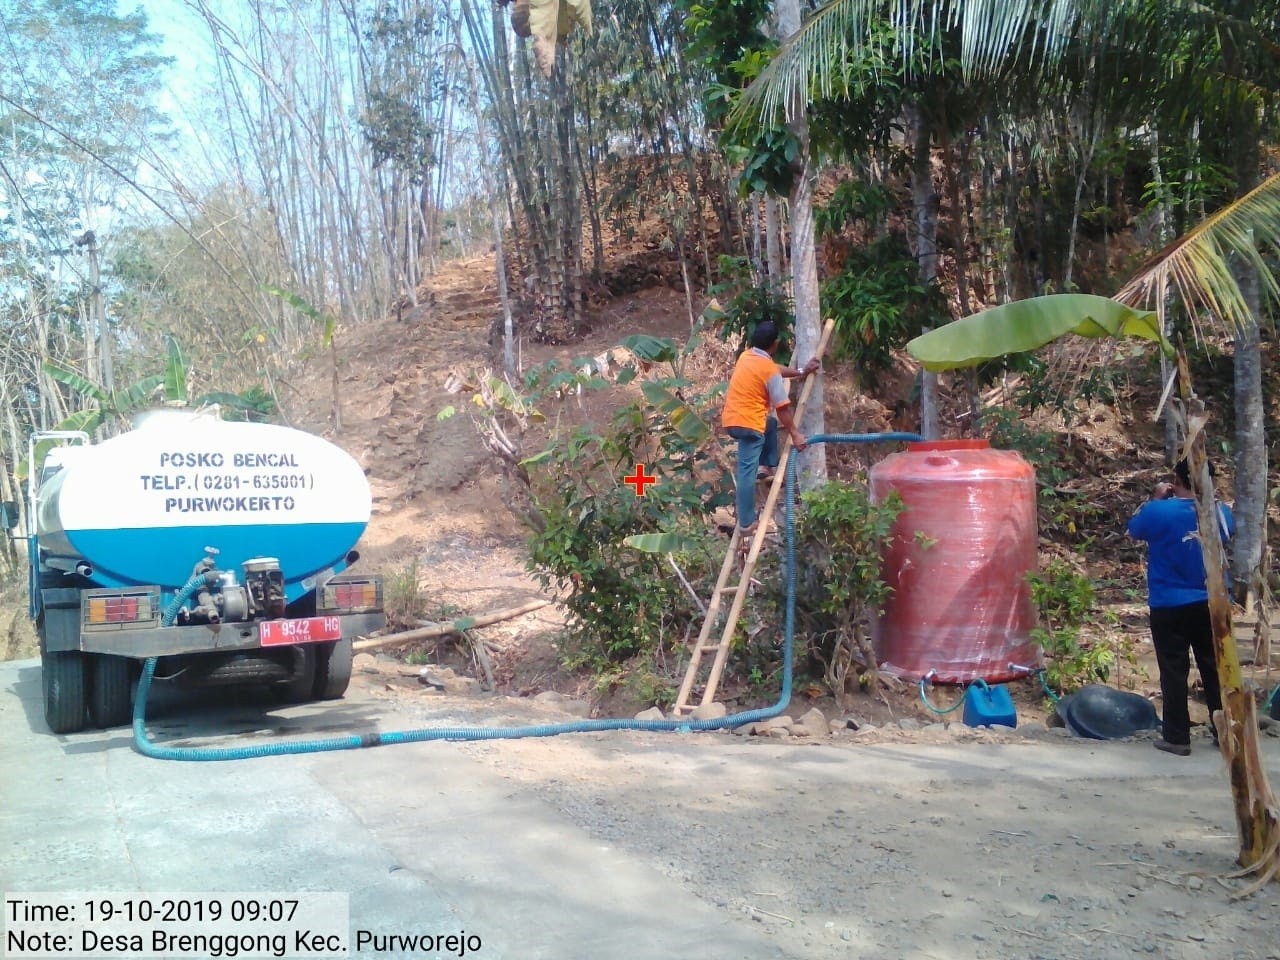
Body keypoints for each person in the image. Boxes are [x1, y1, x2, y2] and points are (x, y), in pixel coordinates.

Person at [1126, 458, 1234, 756]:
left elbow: (1134, 529)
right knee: (1214, 667)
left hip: (1168, 603)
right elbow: (1229, 532)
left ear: (1176, 479)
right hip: (1211, 600)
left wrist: (1158, 497)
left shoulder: (1158, 511)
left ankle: (1177, 737)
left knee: (1173, 669)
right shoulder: (1220, 512)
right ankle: (1224, 732)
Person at [721, 320, 819, 536]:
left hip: (733, 419)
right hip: (749, 425)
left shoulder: (747, 356)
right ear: (774, 344)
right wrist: (795, 433)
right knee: (746, 473)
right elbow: (783, 408)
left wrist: (800, 371)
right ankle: (746, 523)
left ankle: (765, 466)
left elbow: (774, 369)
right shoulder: (767, 370)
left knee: (771, 424)